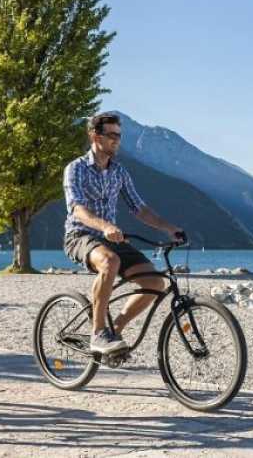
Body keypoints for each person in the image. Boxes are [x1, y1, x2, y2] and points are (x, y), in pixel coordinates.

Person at [63, 111, 186, 354]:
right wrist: (105, 226)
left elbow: (139, 208)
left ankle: (114, 330)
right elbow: (78, 209)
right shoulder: (75, 169)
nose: (116, 141)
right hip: (80, 236)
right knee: (110, 261)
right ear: (94, 137)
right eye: (111, 135)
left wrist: (170, 228)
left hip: (111, 238)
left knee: (155, 282)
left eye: (119, 136)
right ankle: (98, 333)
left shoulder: (119, 172)